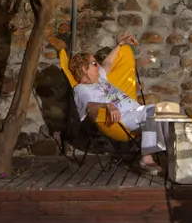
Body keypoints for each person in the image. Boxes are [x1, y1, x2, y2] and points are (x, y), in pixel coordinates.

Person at [68, 34, 166, 172]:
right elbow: (89, 107)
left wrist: (119, 45)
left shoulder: (100, 77)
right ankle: (147, 158)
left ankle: (177, 153)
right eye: (94, 63)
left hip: (137, 112)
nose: (97, 65)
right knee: (155, 112)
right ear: (84, 69)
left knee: (168, 112)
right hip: (122, 119)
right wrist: (107, 105)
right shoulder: (81, 89)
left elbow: (108, 63)